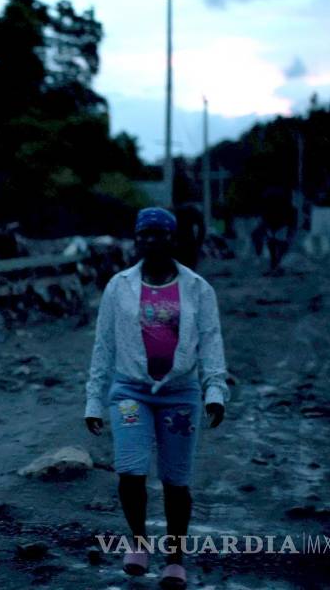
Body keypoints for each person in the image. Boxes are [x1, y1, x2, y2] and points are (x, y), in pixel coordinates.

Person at [84, 207, 228, 590]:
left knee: (175, 481)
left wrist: (215, 391)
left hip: (180, 395)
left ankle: (175, 559)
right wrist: (93, 401)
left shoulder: (197, 288)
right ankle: (138, 541)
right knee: (130, 469)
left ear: (173, 238)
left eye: (159, 233)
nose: (151, 240)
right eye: (143, 234)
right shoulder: (119, 286)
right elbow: (104, 345)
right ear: (136, 239)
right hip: (130, 392)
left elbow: (212, 342)